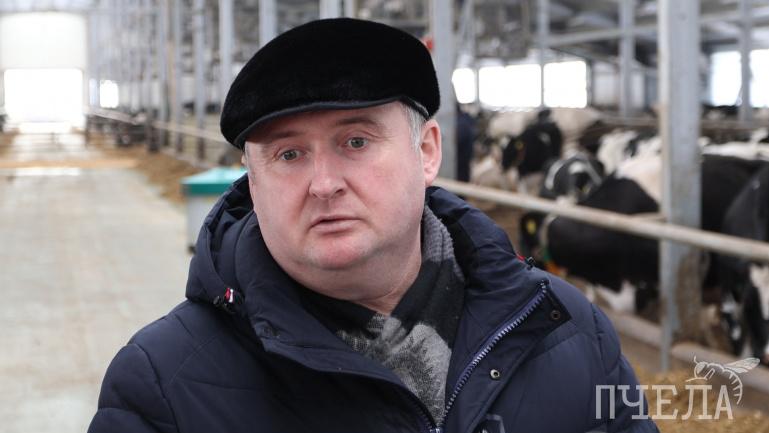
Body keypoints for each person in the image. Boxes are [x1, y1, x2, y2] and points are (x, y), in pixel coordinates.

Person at [89, 18, 658, 433]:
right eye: (289, 154)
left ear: (427, 152)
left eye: (356, 142)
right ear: (252, 181)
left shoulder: (566, 327)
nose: (324, 184)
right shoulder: (162, 387)